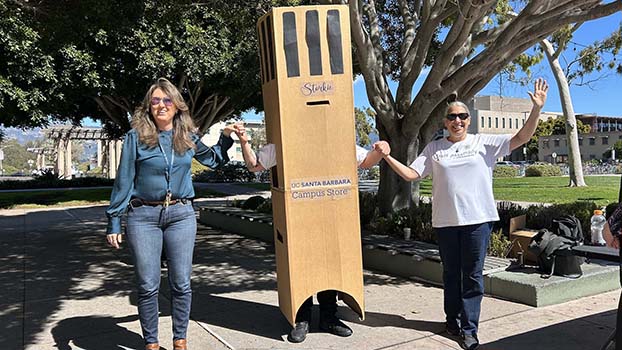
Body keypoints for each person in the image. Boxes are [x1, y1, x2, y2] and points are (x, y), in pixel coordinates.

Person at [376, 78, 548, 350]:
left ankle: (469, 329)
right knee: (450, 274)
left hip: (477, 223)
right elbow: (411, 173)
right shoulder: (434, 148)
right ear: (445, 122)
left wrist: (536, 109)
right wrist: (386, 156)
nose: (457, 120)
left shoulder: (484, 143)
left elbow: (522, 137)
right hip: (446, 223)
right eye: (452, 117)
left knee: (472, 276)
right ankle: (452, 321)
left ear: (469, 120)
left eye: (462, 116)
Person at [106, 78, 236, 350]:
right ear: (148, 107)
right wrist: (114, 220)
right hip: (143, 216)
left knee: (181, 283)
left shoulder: (187, 136)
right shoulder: (135, 137)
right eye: (155, 100)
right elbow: (124, 180)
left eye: (167, 100)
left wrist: (225, 138)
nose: (161, 105)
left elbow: (213, 160)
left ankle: (180, 341)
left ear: (177, 106)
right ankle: (151, 343)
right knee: (148, 285)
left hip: (181, 215)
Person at [232, 124, 384, 343]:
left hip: (331, 213)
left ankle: (328, 317)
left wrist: (380, 151)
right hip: (298, 217)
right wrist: (245, 142)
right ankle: (301, 318)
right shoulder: (283, 143)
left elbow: (365, 161)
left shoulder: (337, 139)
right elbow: (255, 166)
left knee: (330, 265)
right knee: (301, 267)